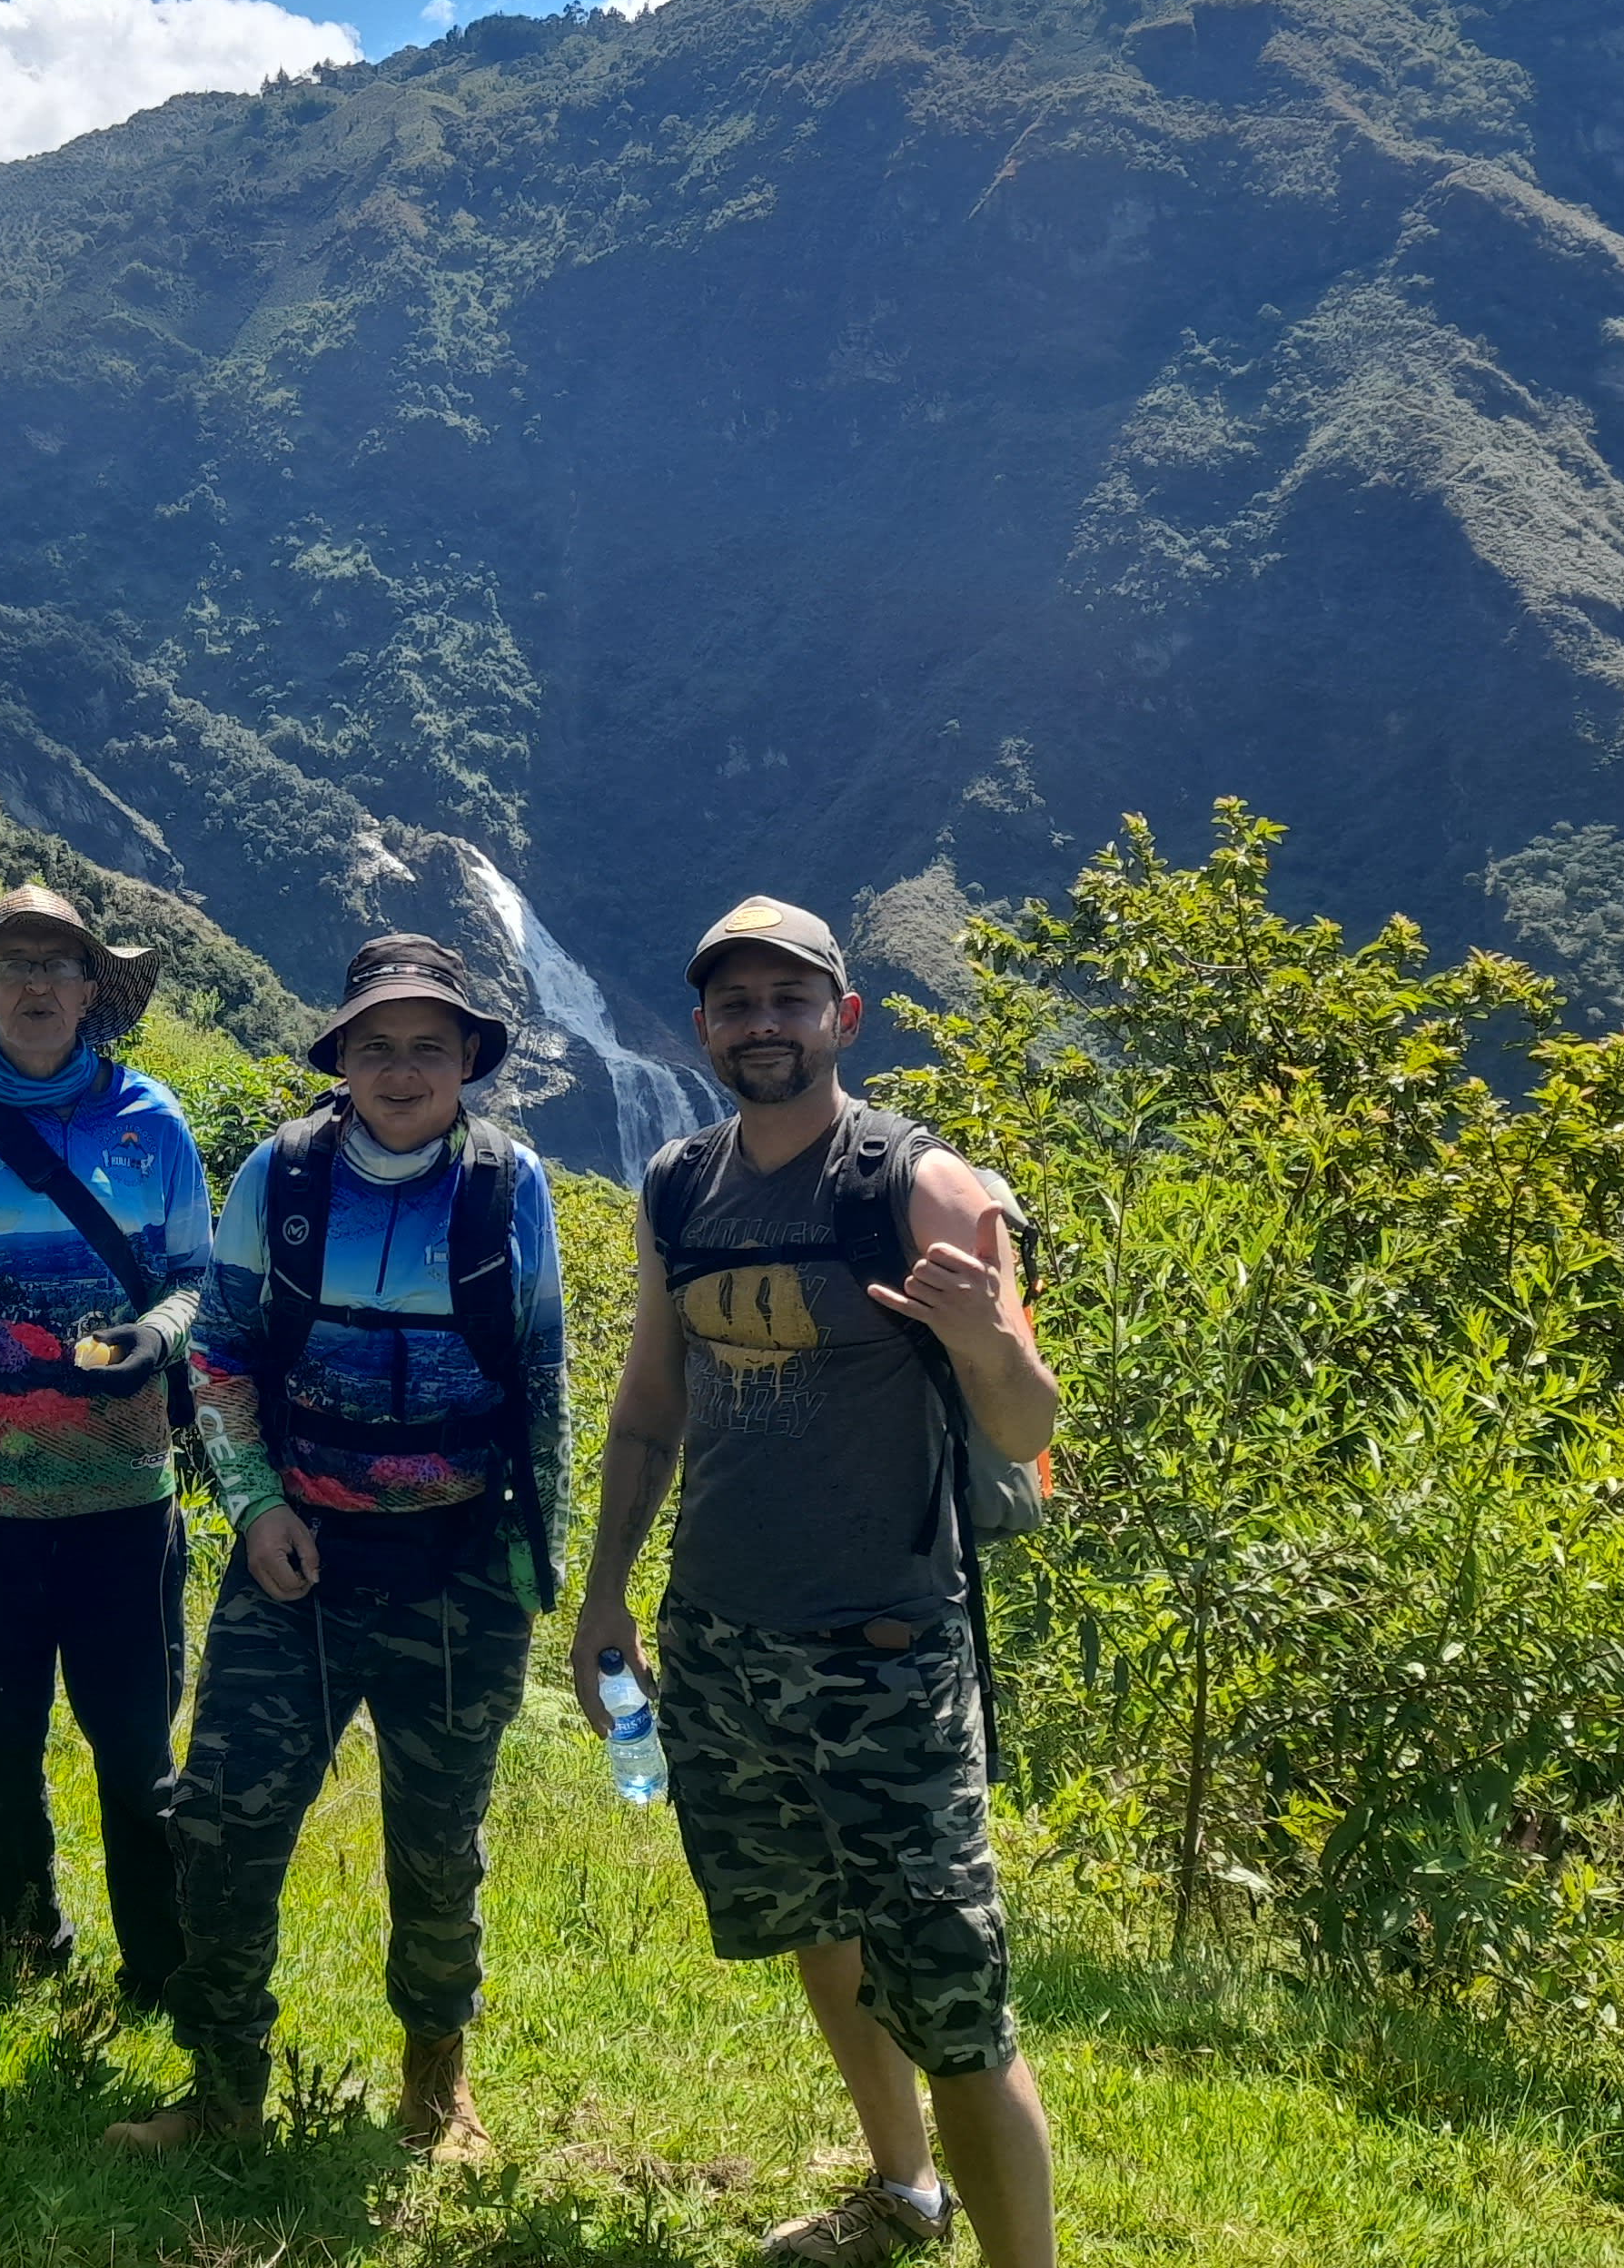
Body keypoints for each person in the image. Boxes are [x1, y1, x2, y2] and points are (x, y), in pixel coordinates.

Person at [570, 896, 1059, 2266]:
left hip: (885, 1650)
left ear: (843, 1018)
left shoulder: (921, 1187)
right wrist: (605, 1598)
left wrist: (987, 1340)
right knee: (818, 1932)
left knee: (952, 1999)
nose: (762, 1024)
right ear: (702, 1028)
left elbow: (1028, 1424)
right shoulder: (678, 1186)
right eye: (735, 1003)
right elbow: (649, 1408)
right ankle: (904, 2192)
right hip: (722, 1642)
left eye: (789, 999)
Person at [109, 933, 569, 2164]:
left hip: (459, 1569)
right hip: (296, 1559)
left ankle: (437, 2089)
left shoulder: (509, 1184)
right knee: (221, 1823)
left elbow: (543, 1379)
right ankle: (221, 2091)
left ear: (468, 1060)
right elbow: (221, 1353)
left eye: (429, 1047)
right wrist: (254, 1507)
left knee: (438, 1841)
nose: (402, 1070)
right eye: (376, 1047)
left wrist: (542, 1565)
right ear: (342, 1059)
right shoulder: (284, 1175)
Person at [0, 885, 212, 2000]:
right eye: (11, 965)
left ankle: (160, 1968)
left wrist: (153, 1336)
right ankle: (22, 1949)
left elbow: (196, 1283)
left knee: (137, 1747)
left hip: (125, 1494)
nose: (34, 983)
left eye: (57, 964)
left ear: (89, 991)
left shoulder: (152, 1119)